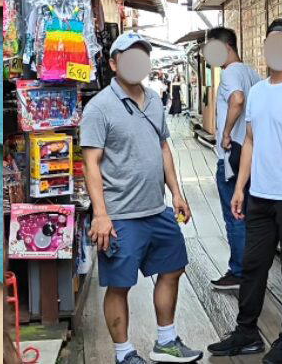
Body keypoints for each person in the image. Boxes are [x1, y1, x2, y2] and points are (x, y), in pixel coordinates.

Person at [81, 32, 201, 364]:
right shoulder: (99, 108)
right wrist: (101, 214)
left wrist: (177, 193)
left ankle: (166, 341)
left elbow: (163, 147)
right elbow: (91, 162)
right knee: (119, 286)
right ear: (113, 63)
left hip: (157, 209)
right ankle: (124, 354)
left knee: (174, 268)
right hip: (120, 214)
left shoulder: (153, 99)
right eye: (128, 56)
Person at [208, 19, 282, 362]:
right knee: (253, 263)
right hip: (260, 194)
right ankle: (246, 332)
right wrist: (241, 187)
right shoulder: (257, 92)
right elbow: (252, 143)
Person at [204, 26, 260, 291]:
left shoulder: (230, 73)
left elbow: (237, 100)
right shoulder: (252, 73)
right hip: (250, 157)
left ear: (226, 46)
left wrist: (226, 132)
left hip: (232, 157)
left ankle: (238, 271)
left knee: (234, 214)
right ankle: (251, 267)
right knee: (247, 213)